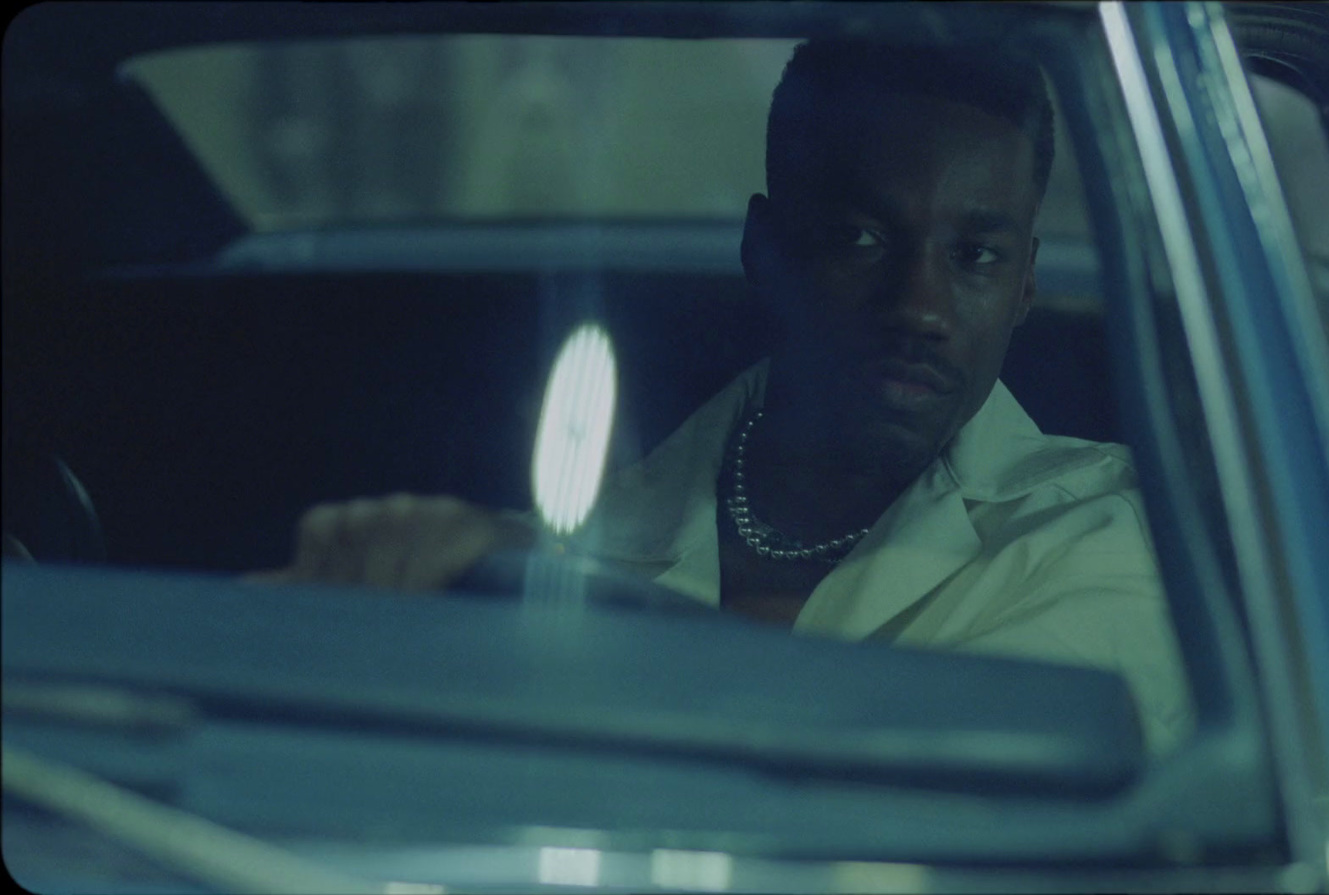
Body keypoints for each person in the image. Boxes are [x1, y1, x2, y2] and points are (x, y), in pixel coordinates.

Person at [251, 39, 1194, 753]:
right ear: (767, 249)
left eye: (976, 256)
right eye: (862, 237)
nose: (921, 306)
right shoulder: (584, 526)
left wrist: (544, 596)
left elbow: (946, 781)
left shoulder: (1106, 539)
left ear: (1025, 282)